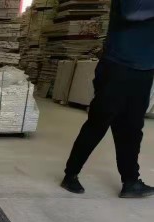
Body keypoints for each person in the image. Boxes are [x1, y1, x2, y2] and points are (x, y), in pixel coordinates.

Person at [61, 0, 154, 197]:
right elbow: (132, 11)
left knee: (132, 129)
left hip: (144, 69)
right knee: (98, 122)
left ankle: (130, 181)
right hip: (118, 66)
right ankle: (71, 174)